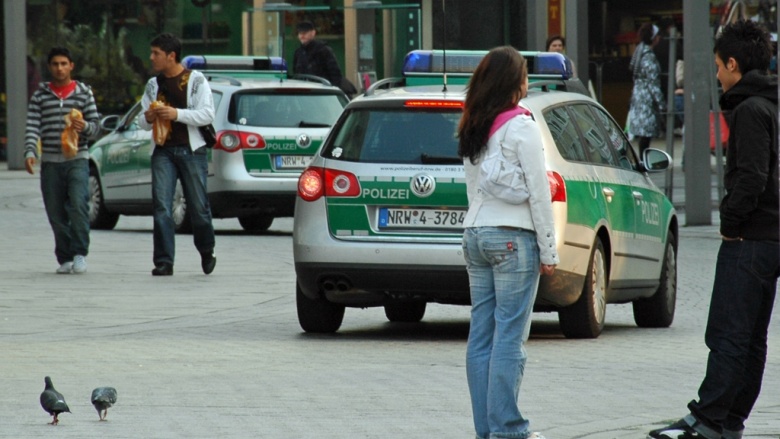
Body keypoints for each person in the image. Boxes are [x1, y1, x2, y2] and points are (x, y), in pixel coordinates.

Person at [647, 19, 778, 439]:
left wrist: (731, 222)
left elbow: (752, 177)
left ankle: (709, 419)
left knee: (729, 332)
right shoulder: (770, 104)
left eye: (720, 65)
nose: (717, 73)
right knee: (751, 337)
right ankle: (728, 419)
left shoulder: (750, 110)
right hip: (770, 237)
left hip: (751, 239)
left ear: (734, 64)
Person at [457, 46, 559, 439]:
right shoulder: (522, 126)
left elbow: (471, 188)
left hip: (476, 234)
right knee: (510, 338)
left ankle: (487, 429)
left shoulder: (473, 125)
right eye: (524, 76)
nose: (527, 82)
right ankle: (509, 429)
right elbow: (539, 193)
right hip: (514, 239)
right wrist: (549, 250)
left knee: (480, 335)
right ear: (514, 82)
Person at [138, 33, 216, 276]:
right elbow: (141, 121)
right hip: (163, 151)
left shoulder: (195, 80)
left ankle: (206, 249)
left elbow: (207, 114)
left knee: (198, 206)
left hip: (192, 151)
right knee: (162, 206)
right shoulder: (153, 84)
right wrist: (149, 117)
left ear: (171, 56)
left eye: (156, 54)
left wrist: (176, 114)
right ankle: (164, 261)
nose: (151, 58)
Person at [24, 47, 100, 274]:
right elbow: (32, 126)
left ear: (71, 66)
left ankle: (79, 253)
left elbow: (96, 127)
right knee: (55, 212)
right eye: (55, 64)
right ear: (50, 67)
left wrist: (84, 126)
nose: (59, 68)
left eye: (64, 64)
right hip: (50, 161)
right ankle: (64, 256)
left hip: (77, 158)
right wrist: (30, 152)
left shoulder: (84, 93)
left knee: (78, 205)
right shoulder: (40, 96)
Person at [627, 23, 664, 156]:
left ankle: (642, 160)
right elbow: (653, 83)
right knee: (645, 135)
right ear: (654, 38)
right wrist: (662, 104)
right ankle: (644, 162)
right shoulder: (648, 56)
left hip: (638, 96)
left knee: (642, 135)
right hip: (646, 100)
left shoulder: (639, 51)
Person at [292, 20, 344, 91]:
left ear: (313, 33)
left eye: (305, 33)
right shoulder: (298, 53)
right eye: (300, 33)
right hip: (303, 92)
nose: (302, 36)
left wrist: (332, 91)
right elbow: (296, 74)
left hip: (321, 92)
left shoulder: (323, 50)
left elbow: (335, 74)